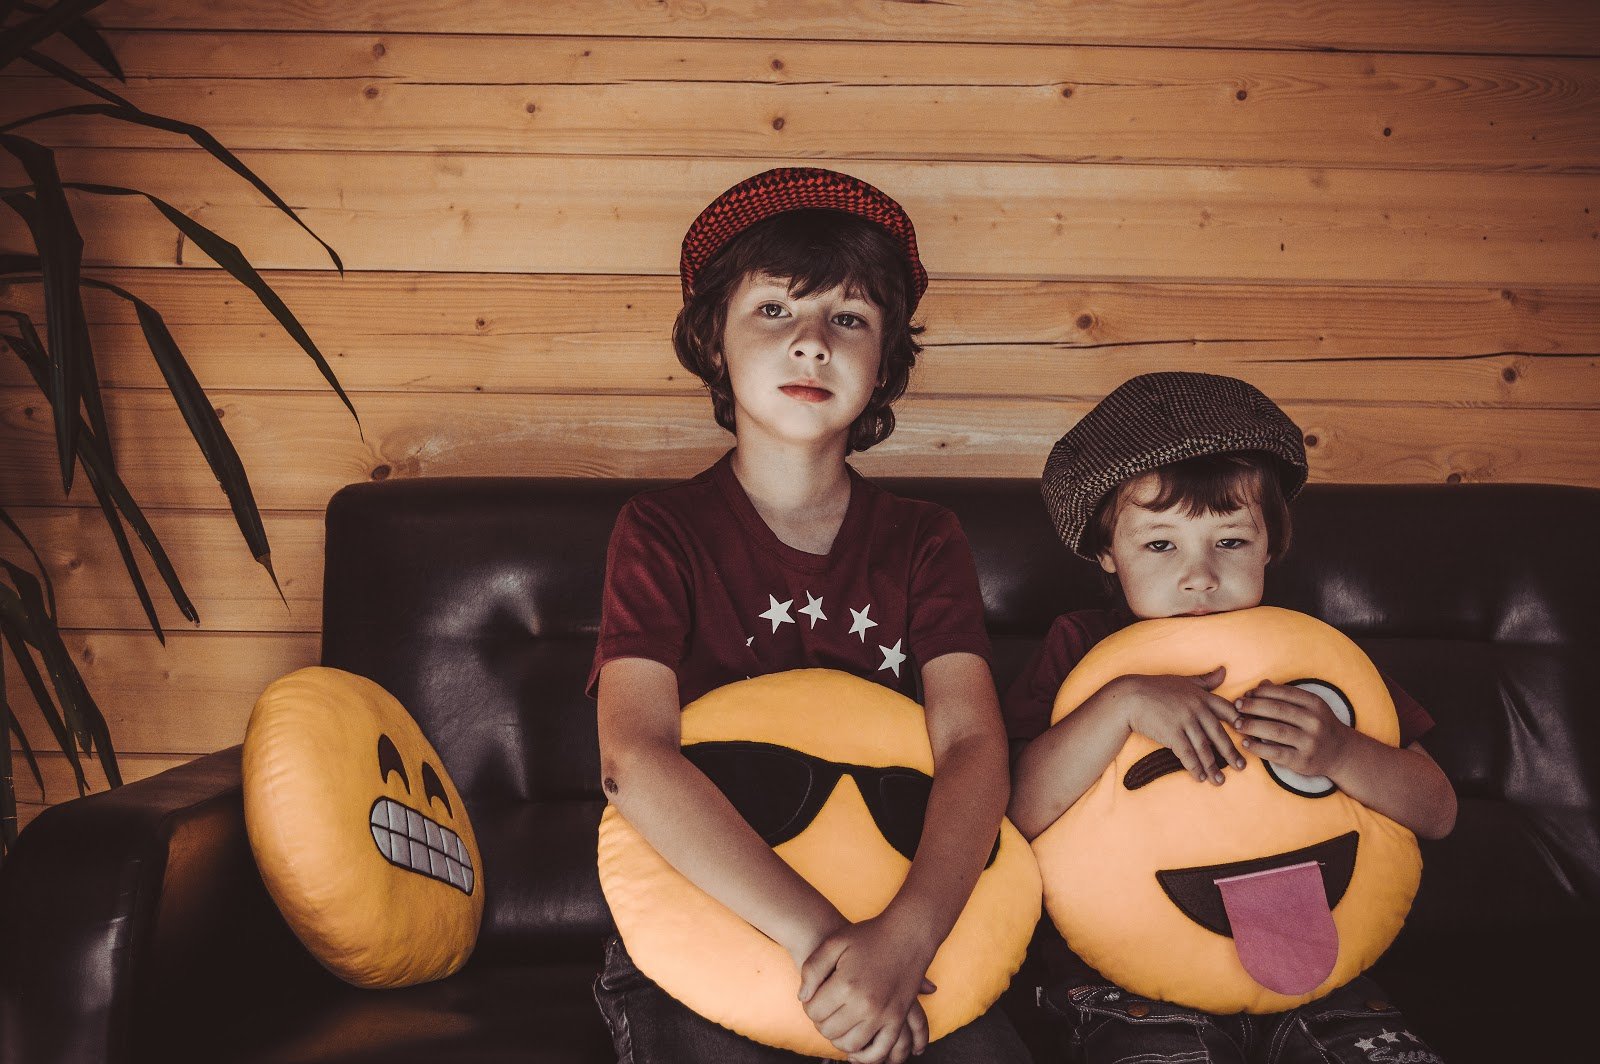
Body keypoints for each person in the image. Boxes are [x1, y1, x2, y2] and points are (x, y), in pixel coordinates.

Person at [590, 167, 1030, 1064]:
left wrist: (904, 940)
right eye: (774, 312)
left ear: (885, 360)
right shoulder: (660, 532)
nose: (811, 344)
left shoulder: (924, 539)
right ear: (713, 340)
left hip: (908, 937)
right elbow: (634, 758)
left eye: (850, 319)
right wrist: (833, 947)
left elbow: (974, 748)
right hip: (707, 927)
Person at [1005, 371, 1456, 1064]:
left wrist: (1340, 752)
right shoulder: (1080, 645)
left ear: (1271, 543)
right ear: (1105, 551)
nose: (1200, 576)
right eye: (1161, 545)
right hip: (1122, 980)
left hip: (1323, 980)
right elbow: (1015, 814)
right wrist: (1120, 702)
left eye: (1232, 542)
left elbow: (1438, 810)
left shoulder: (1312, 655)